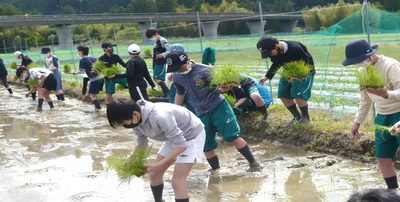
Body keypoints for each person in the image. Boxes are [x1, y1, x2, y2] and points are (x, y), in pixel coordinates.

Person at [166, 51, 261, 172]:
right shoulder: (177, 77)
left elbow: (219, 89)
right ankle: (216, 171)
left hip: (218, 108)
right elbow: (180, 93)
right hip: (200, 112)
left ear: (188, 60)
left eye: (181, 67)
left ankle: (253, 163)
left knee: (232, 137)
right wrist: (175, 111)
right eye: (175, 69)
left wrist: (224, 89)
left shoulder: (206, 70)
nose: (179, 71)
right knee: (206, 146)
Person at [107, 98, 206, 202]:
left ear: (135, 114)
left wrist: (157, 164)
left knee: (177, 182)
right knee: (154, 174)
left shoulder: (160, 116)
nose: (125, 125)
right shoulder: (135, 120)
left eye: (124, 122)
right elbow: (142, 142)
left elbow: (181, 146)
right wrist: (130, 159)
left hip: (191, 136)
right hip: (173, 137)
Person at [342, 39, 400, 190]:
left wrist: (386, 94)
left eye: (358, 60)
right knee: (383, 157)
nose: (358, 64)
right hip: (382, 116)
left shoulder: (391, 65)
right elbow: (365, 100)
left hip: (399, 113)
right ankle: (393, 192)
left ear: (369, 55)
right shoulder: (363, 71)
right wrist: (357, 121)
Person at [256, 35, 315, 123]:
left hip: (305, 72)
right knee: (283, 93)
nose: (270, 56)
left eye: (270, 52)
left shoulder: (295, 48)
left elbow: (305, 62)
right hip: (288, 72)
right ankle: (297, 117)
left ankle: (306, 118)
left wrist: (299, 75)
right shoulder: (275, 53)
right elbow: (276, 64)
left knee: (297, 93)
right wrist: (267, 76)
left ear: (276, 47)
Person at [71, 45, 103, 110]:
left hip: (94, 79)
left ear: (81, 52)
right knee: (94, 94)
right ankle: (97, 108)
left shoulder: (83, 60)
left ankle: (99, 109)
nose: (78, 53)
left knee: (92, 96)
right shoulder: (92, 57)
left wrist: (73, 73)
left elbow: (82, 72)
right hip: (101, 77)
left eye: (78, 51)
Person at [167, 43, 195, 113]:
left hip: (189, 86)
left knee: (192, 108)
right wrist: (175, 72)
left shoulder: (188, 62)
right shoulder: (171, 64)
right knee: (175, 107)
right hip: (175, 86)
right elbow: (169, 79)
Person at [145, 28, 170, 98]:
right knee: (159, 79)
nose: (151, 38)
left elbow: (169, 50)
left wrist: (163, 55)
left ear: (156, 33)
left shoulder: (163, 40)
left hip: (161, 63)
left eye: (151, 36)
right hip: (156, 62)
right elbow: (157, 53)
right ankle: (166, 94)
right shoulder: (156, 41)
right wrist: (150, 56)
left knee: (157, 79)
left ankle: (168, 93)